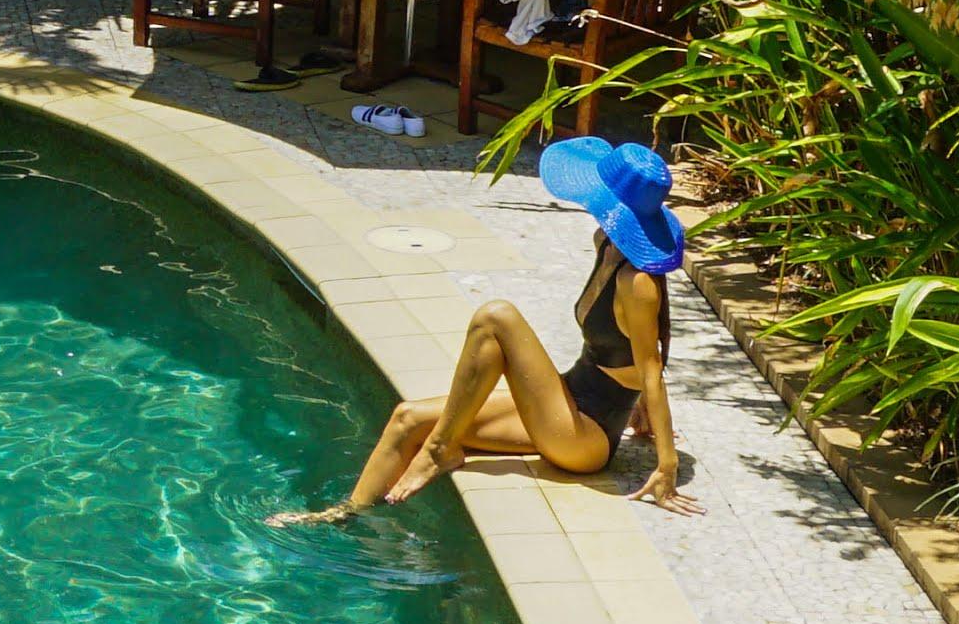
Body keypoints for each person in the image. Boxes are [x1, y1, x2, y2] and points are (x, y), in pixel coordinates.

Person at [282, 136, 690, 524]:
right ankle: (345, 517)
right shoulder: (608, 243)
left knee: (497, 317)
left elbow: (650, 367)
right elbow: (628, 351)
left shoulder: (637, 283)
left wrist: (666, 466)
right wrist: (639, 411)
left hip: (585, 438)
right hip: (568, 403)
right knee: (407, 419)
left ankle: (440, 450)